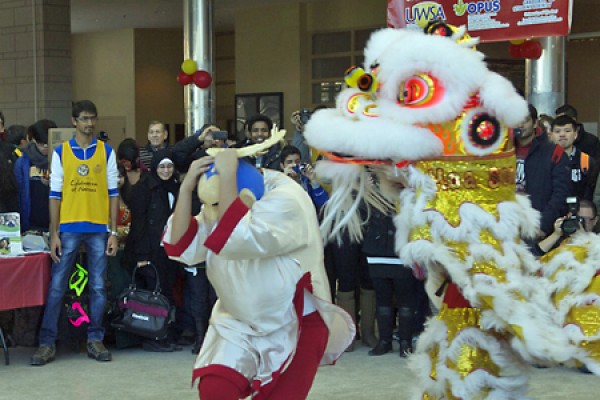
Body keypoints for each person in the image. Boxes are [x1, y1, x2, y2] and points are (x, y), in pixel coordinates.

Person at [162, 148, 353, 399]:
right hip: (238, 321)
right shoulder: (219, 209)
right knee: (215, 390)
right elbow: (179, 246)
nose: (212, 211)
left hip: (295, 321)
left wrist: (229, 174)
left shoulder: (288, 200)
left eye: (217, 202)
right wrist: (186, 189)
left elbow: (235, 236)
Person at [30, 100, 119, 366]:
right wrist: (53, 233)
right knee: (57, 287)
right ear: (73, 121)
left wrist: (113, 231)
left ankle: (95, 339)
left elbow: (113, 193)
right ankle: (47, 343)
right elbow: (54, 195)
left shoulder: (106, 152)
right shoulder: (61, 153)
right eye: (84, 118)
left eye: (93, 118)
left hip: (98, 230)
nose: (89, 123)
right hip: (67, 229)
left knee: (99, 287)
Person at [126, 149, 182, 352]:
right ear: (154, 167)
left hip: (168, 248)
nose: (166, 171)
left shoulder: (176, 186)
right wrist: (142, 255)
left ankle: (163, 333)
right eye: (162, 166)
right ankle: (153, 336)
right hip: (148, 250)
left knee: (165, 291)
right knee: (153, 293)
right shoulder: (143, 188)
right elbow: (138, 224)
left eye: (169, 166)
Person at [515, 103, 571, 237]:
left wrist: (543, 225)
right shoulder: (502, 151)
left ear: (535, 124)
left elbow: (560, 194)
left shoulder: (553, 152)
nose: (520, 125)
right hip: (506, 224)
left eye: (525, 120)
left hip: (538, 226)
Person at [14, 119, 56, 232]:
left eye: (49, 143)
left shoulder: (62, 159)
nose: (46, 147)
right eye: (42, 144)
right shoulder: (23, 162)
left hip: (58, 221)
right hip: (31, 221)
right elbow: (19, 193)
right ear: (33, 140)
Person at [548, 114, 597, 201]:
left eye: (567, 131)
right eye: (557, 131)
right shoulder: (543, 160)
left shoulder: (586, 161)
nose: (562, 134)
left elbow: (590, 193)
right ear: (551, 135)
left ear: (575, 134)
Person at [279, 145, 328, 210]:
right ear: (282, 166)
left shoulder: (307, 181)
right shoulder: (276, 183)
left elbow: (324, 204)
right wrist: (283, 180)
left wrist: (313, 180)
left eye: (297, 161)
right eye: (289, 162)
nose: (294, 165)